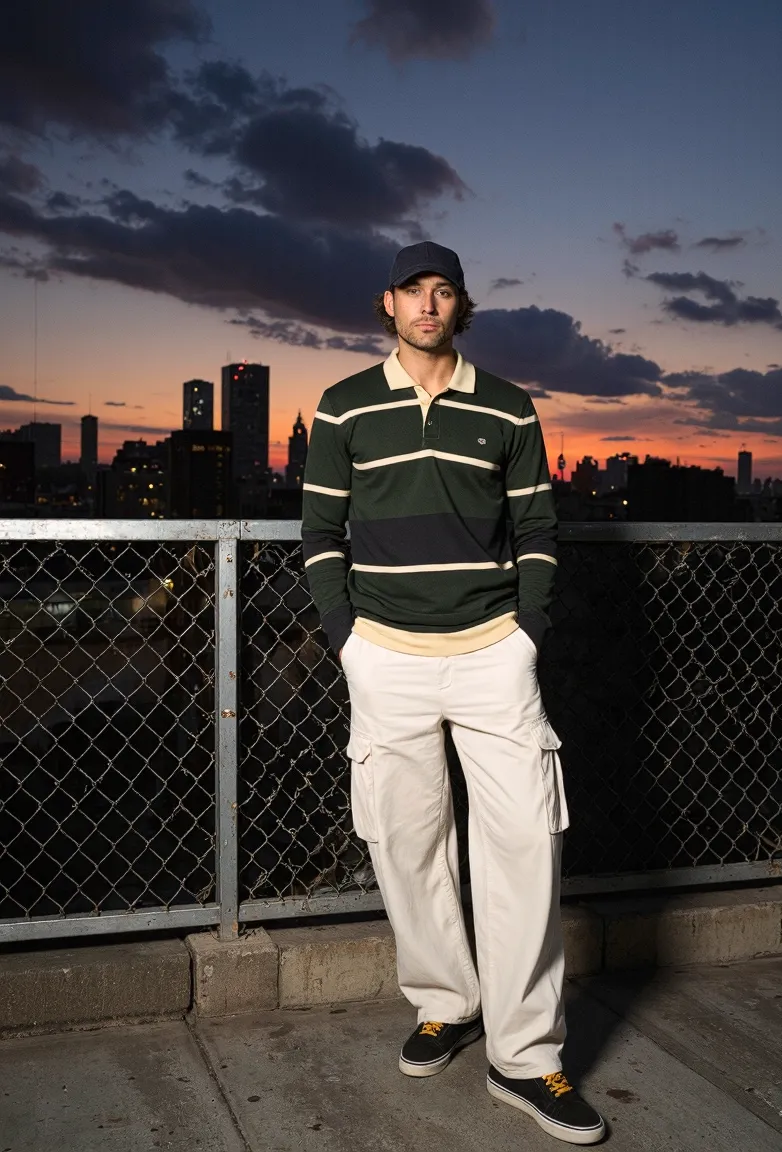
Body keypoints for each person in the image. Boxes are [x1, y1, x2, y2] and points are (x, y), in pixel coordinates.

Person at [301, 241, 606, 1145]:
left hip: (490, 656)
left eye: (444, 293)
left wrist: (524, 637)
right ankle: (448, 1004)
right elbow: (320, 530)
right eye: (413, 292)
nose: (428, 306)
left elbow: (539, 529)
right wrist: (347, 640)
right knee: (405, 839)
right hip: (384, 655)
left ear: (459, 306)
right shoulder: (344, 404)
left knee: (522, 847)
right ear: (387, 303)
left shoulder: (510, 407)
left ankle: (527, 1058)